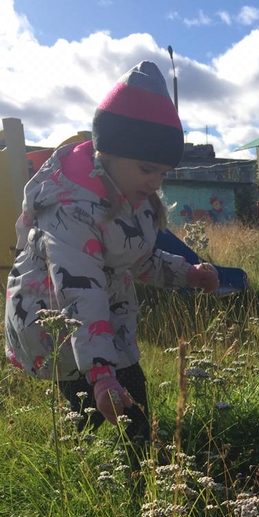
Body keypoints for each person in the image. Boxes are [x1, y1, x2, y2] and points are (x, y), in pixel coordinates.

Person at [5, 60, 219, 450]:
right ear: (107, 154)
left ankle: (140, 471)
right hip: (57, 327)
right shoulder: (70, 209)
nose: (155, 181)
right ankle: (78, 476)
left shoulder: (132, 197)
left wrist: (187, 274)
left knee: (132, 399)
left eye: (163, 173)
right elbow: (79, 292)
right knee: (90, 410)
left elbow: (137, 261)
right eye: (146, 168)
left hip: (107, 324)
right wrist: (101, 373)